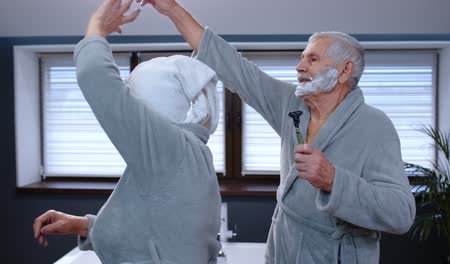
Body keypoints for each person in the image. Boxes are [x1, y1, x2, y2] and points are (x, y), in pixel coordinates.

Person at [139, 0, 417, 263]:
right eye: (301, 58)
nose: (299, 67)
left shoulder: (374, 126)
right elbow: (235, 69)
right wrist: (172, 8)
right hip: (284, 248)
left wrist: (333, 180)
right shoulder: (291, 105)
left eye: (312, 59)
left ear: (344, 71)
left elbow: (401, 213)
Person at [32, 0, 222, 263]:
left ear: (149, 104)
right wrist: (80, 225)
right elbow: (153, 233)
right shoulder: (191, 153)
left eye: (133, 97)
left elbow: (94, 76)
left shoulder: (166, 148)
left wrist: (96, 27)